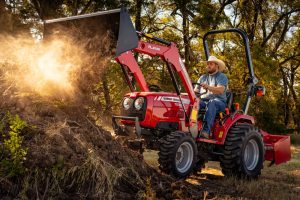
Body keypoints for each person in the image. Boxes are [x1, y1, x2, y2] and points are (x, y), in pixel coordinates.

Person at [194, 56, 228, 139]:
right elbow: (195, 92)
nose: (208, 65)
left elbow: (220, 90)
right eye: (208, 64)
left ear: (217, 66)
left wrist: (208, 87)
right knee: (193, 102)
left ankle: (206, 131)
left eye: (211, 64)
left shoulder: (221, 76)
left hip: (219, 102)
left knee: (212, 102)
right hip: (204, 101)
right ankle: (191, 126)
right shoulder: (202, 77)